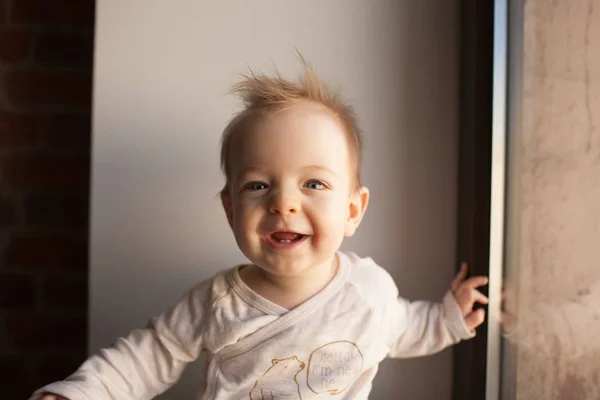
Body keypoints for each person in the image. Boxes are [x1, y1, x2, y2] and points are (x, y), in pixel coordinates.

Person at [33, 59, 489, 400]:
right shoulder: (218, 302)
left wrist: (450, 317)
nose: (283, 202)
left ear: (353, 210)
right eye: (258, 185)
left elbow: (403, 325)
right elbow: (148, 356)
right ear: (231, 211)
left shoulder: (368, 289)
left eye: (313, 183)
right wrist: (80, 392)